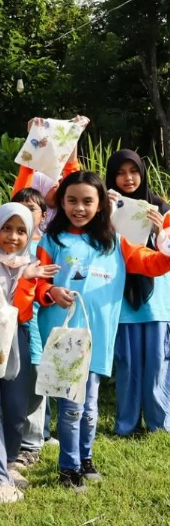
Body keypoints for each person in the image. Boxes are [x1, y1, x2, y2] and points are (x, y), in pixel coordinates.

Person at [36, 172, 170, 490]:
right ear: (62, 202)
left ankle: (85, 458)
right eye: (72, 200)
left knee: (90, 407)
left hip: (98, 338)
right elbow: (37, 282)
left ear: (100, 205)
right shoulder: (52, 241)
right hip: (64, 338)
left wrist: (164, 241)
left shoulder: (115, 242)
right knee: (71, 407)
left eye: (87, 201)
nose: (79, 208)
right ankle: (68, 468)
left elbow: (153, 264)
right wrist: (50, 292)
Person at [0, 203, 57, 507]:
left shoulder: (32, 261)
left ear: (29, 234)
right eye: (6, 228)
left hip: (17, 337)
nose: (13, 237)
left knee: (17, 409)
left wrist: (32, 281)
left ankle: (7, 463)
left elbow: (24, 309)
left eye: (21, 231)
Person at [105, 150, 170, 436]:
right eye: (120, 172)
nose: (128, 178)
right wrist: (106, 215)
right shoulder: (104, 206)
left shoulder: (161, 208)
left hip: (157, 298)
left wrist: (159, 232)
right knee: (127, 362)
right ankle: (127, 423)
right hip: (121, 295)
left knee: (158, 360)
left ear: (142, 173)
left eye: (133, 171)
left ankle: (160, 423)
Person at [12, 187, 56, 466]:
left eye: (32, 208)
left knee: (37, 379)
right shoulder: (5, 241)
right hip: (10, 324)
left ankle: (30, 444)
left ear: (44, 215)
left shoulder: (47, 245)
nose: (26, 213)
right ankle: (11, 439)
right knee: (14, 380)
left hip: (39, 323)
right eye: (20, 207)